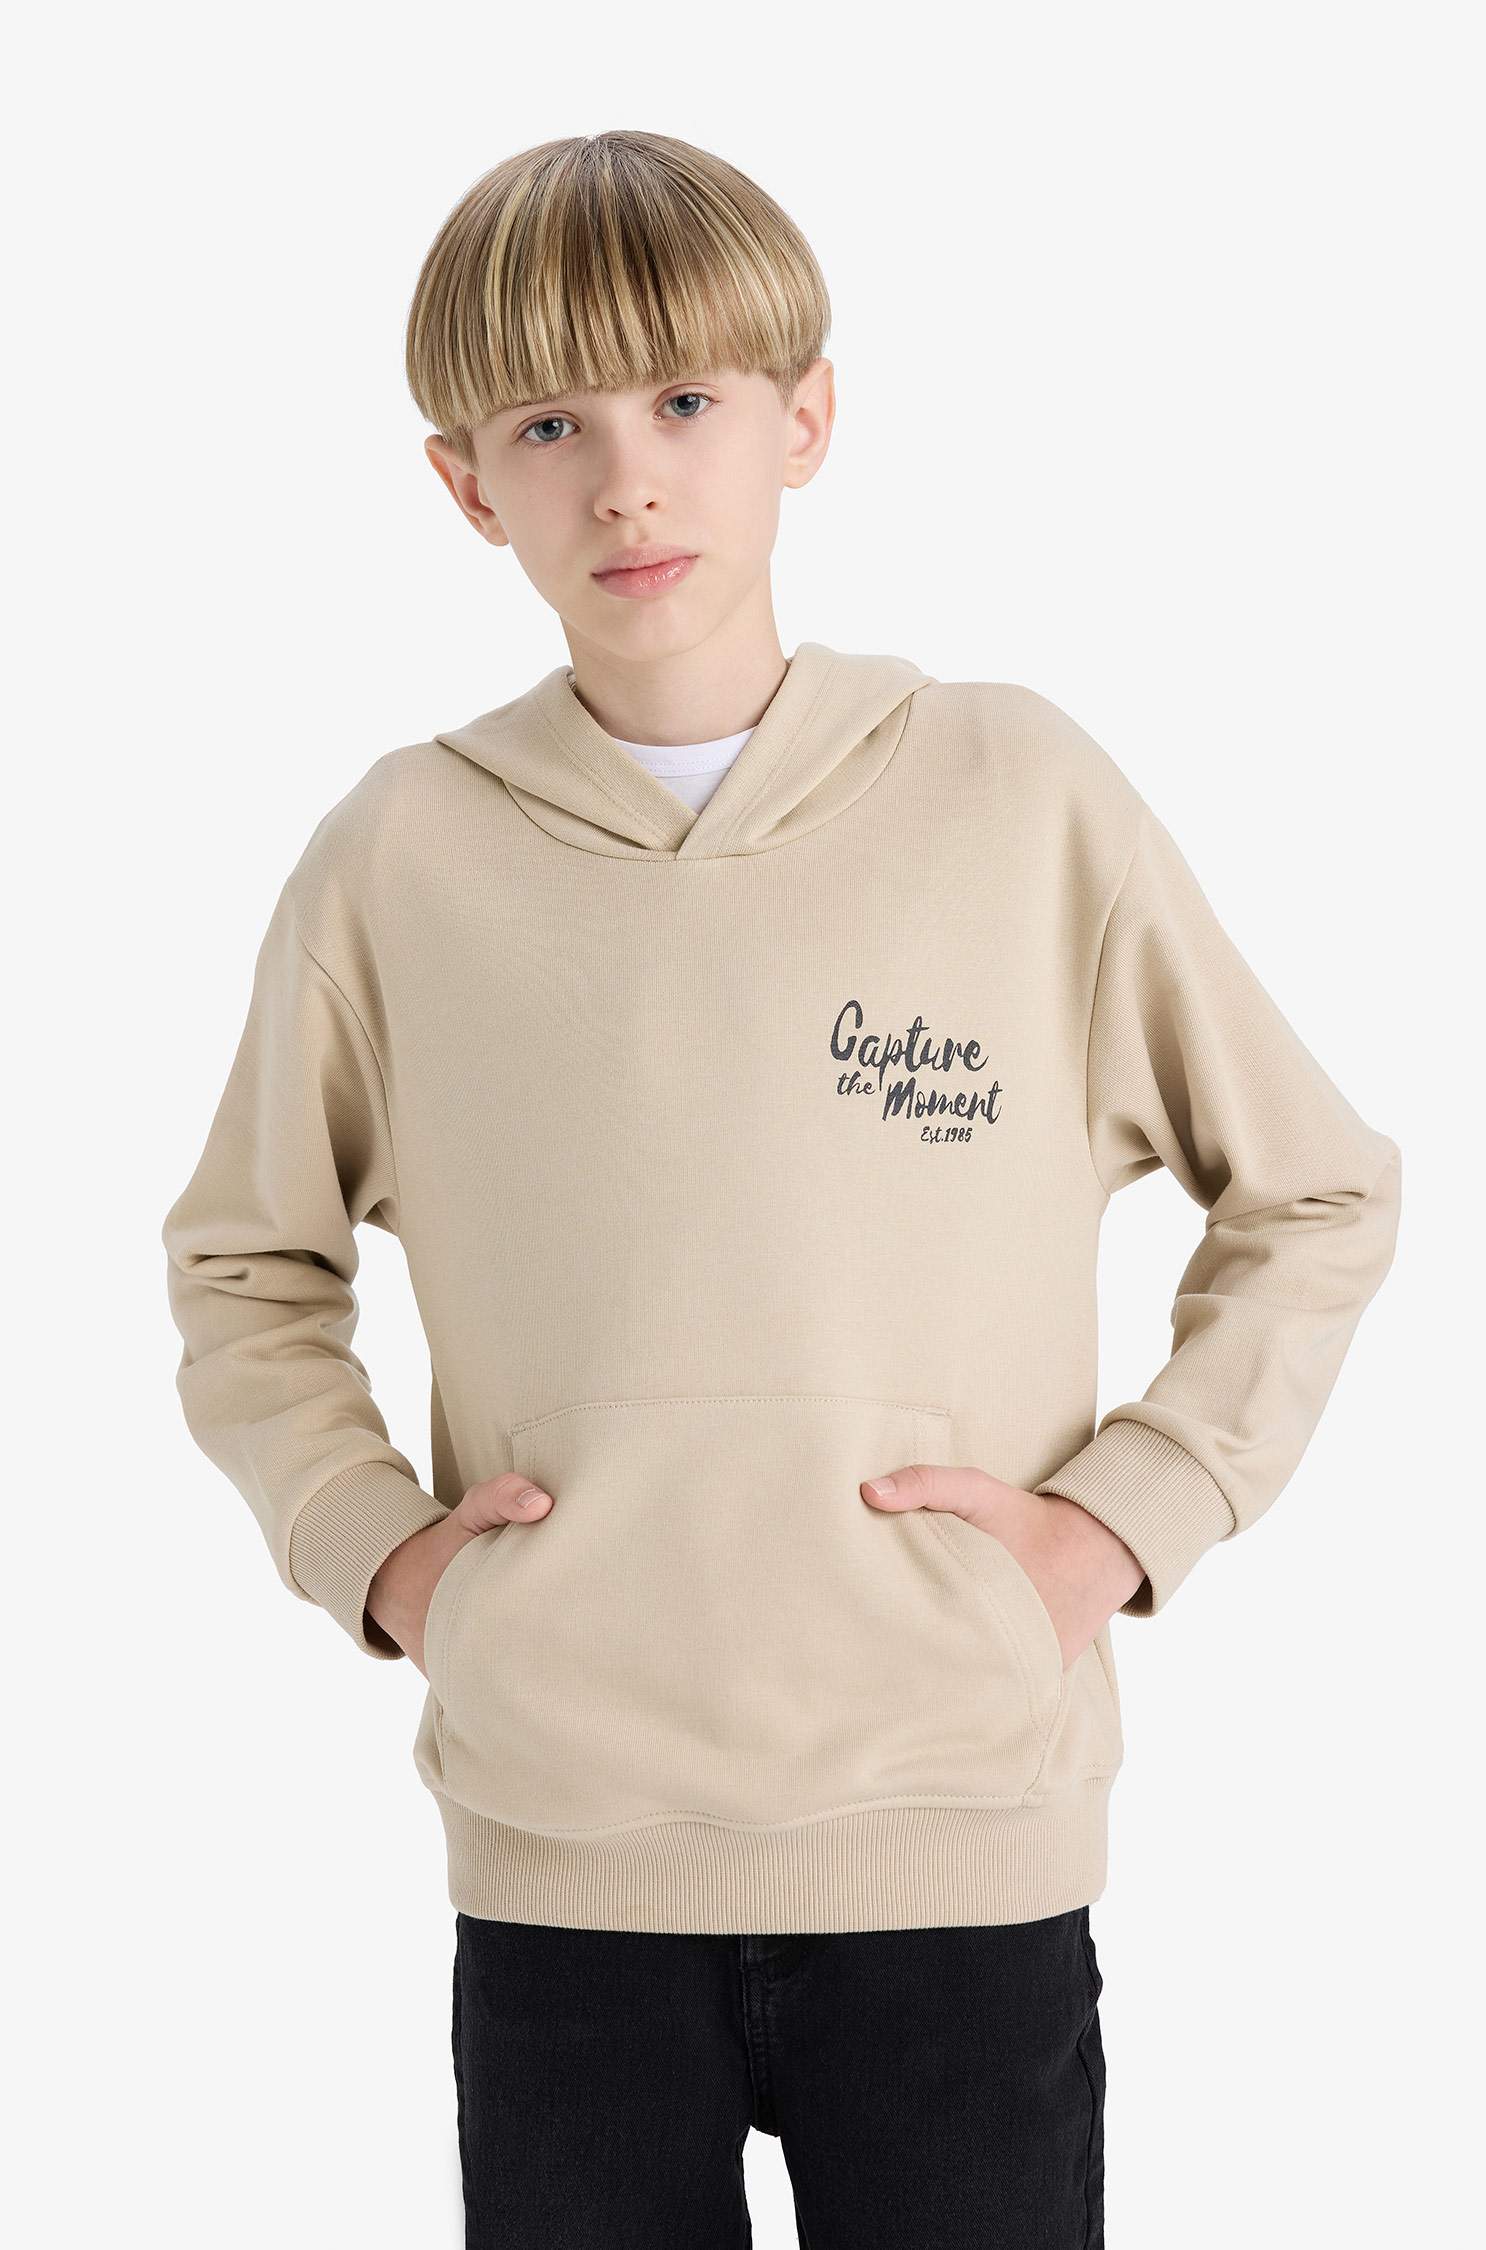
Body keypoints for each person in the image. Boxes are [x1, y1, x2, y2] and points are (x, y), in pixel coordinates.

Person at [160, 130, 1402, 2248]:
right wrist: (388, 1564)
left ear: (806, 416)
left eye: (685, 402)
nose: (626, 481)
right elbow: (245, 1268)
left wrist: (1120, 1523)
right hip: (565, 1866)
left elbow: (1315, 1194)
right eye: (549, 425)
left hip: (960, 1842)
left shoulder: (1017, 795)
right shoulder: (399, 857)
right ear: (465, 483)